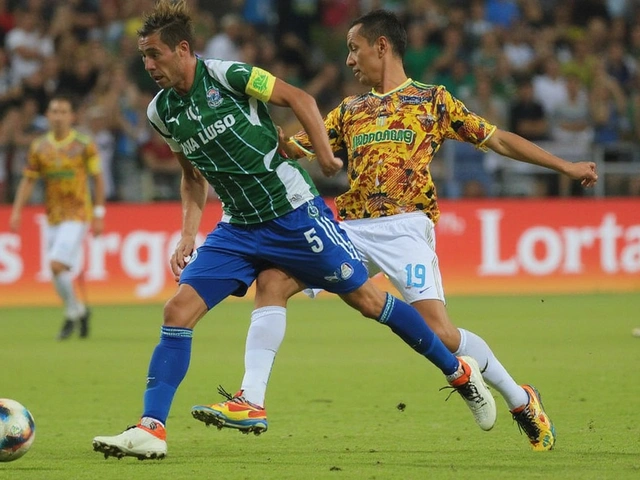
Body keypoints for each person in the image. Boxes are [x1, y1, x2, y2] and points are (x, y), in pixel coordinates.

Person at [91, 0, 495, 461]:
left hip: (293, 214)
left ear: (182, 49)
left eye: (155, 55)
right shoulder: (161, 111)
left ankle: (458, 372)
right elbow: (191, 175)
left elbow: (300, 98)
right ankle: (152, 428)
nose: (148, 65)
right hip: (237, 227)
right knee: (177, 310)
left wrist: (324, 158)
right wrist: (188, 233)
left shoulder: (230, 76)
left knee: (366, 300)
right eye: (143, 57)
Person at [200, 10, 600, 452]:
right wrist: (261, 133)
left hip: (406, 227)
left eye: (355, 48)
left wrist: (565, 165)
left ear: (382, 46)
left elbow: (498, 139)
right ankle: (251, 399)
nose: (350, 60)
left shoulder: (433, 100)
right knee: (272, 281)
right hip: (349, 229)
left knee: (443, 335)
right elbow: (295, 147)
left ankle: (521, 399)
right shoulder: (350, 110)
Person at [9, 93, 105, 340]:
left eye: (64, 111)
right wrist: (18, 210)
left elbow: (97, 178)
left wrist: (99, 213)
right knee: (57, 271)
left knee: (55, 264)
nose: (59, 116)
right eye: (54, 111)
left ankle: (73, 314)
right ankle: (79, 311)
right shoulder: (39, 147)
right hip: (52, 217)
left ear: (72, 116)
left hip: (77, 214)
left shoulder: (84, 144)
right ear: (47, 116)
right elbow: (29, 180)